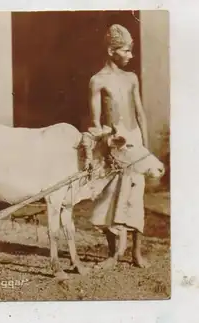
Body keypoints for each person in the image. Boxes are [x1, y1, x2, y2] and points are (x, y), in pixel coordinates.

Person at [87, 24, 150, 269]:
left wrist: (146, 148)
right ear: (112, 51)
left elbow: (141, 113)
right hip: (113, 143)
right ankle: (113, 254)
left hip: (135, 141)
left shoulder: (132, 78)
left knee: (136, 195)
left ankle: (136, 252)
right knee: (110, 195)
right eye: (126, 51)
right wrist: (107, 141)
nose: (130, 56)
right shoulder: (97, 81)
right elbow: (95, 121)